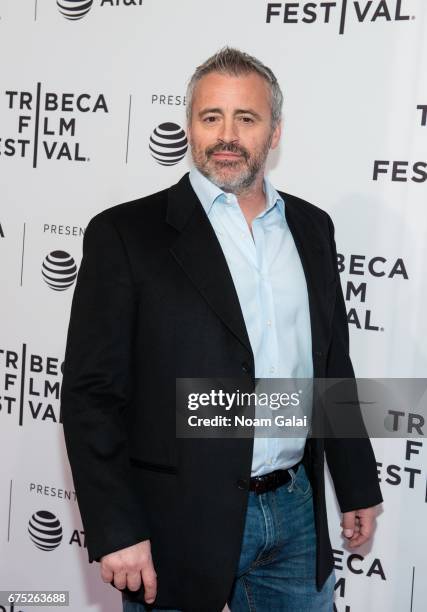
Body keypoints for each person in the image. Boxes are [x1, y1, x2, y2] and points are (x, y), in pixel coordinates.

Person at [61, 47, 383, 612]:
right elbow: (91, 397)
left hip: (294, 511)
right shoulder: (126, 234)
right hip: (175, 520)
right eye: (212, 117)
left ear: (274, 131)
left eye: (247, 118)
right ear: (191, 126)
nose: (226, 135)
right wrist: (115, 527)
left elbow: (331, 364)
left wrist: (356, 484)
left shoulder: (312, 228)